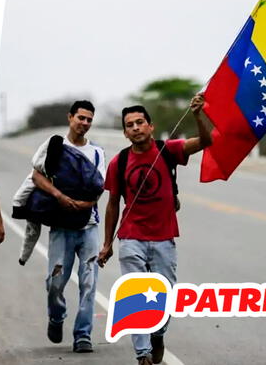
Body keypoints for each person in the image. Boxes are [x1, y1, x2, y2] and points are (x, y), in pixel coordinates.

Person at [98, 94, 212, 365]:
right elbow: (112, 204)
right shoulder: (120, 163)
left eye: (140, 122)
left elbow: (207, 142)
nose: (136, 128)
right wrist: (107, 244)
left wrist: (198, 114)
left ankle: (158, 333)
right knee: (136, 295)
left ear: (150, 126)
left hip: (163, 239)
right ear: (125, 133)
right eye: (130, 125)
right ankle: (142, 354)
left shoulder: (168, 150)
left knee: (165, 296)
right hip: (131, 239)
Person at [30, 100, 106, 353]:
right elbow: (36, 175)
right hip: (61, 225)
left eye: (89, 120)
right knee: (55, 282)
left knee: (89, 282)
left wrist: (86, 204)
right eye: (80, 118)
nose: (84, 123)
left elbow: (99, 187)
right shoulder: (54, 146)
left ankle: (83, 334)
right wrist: (60, 197)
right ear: (70, 117)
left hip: (89, 225)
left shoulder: (96, 153)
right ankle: (56, 316)